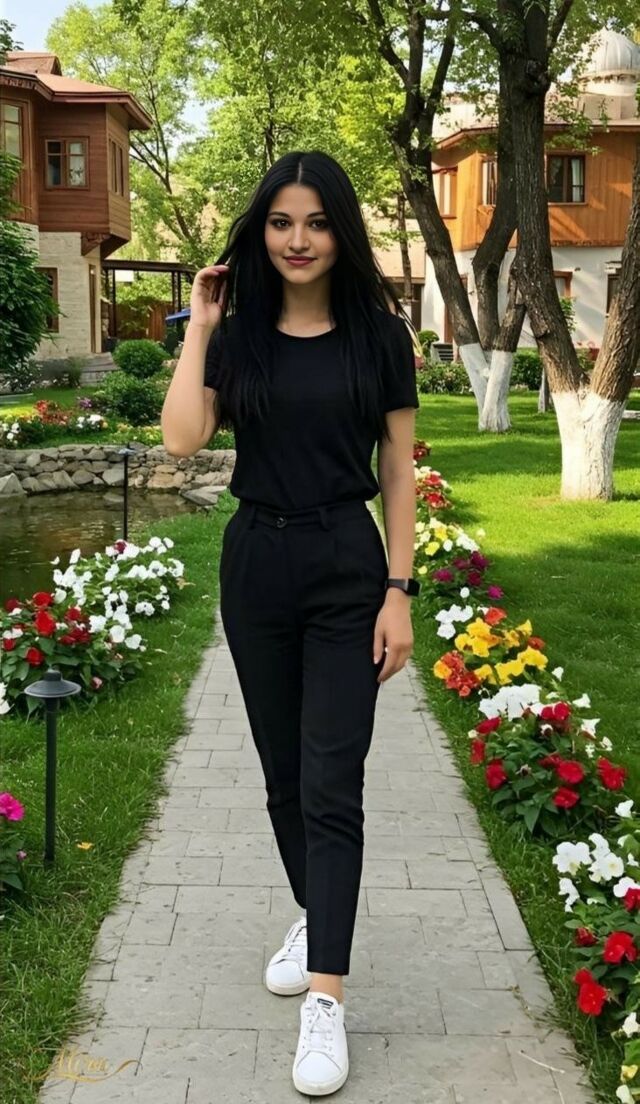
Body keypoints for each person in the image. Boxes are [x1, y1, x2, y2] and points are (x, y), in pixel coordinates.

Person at [161, 149, 421, 1097]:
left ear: (339, 231)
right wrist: (201, 327)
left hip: (346, 565)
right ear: (261, 231)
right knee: (282, 778)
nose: (298, 240)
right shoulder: (238, 339)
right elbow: (182, 439)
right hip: (256, 567)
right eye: (280, 222)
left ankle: (326, 998)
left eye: (315, 223)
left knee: (331, 783)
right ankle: (318, 917)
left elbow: (397, 470)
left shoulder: (379, 337)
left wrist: (399, 591)